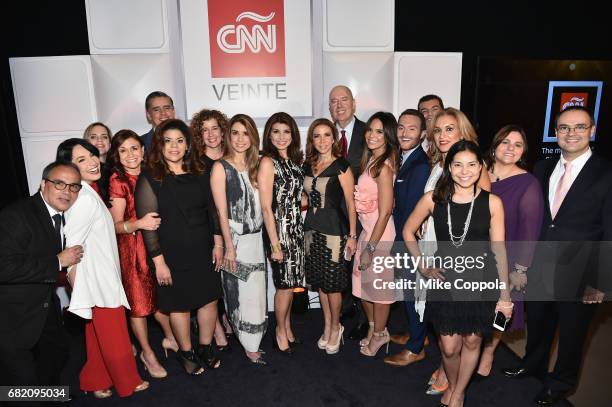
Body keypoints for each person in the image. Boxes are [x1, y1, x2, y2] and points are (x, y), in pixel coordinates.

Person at [502, 106, 612, 406]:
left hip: (581, 272)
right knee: (539, 322)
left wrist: (602, 280)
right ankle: (532, 364)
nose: (571, 133)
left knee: (573, 335)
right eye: (564, 127)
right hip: (539, 265)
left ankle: (562, 383)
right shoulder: (542, 167)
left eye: (579, 127)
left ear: (591, 130)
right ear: (556, 132)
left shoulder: (606, 173)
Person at [403, 140, 513, 407]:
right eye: (458, 165)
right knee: (449, 348)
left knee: (473, 342)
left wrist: (505, 296)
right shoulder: (433, 200)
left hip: (480, 281)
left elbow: (499, 250)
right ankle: (452, 384)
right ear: (449, 168)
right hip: (444, 282)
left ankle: (459, 392)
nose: (465, 171)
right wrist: (422, 265)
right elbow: (407, 231)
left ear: (480, 167)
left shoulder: (493, 203)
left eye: (472, 165)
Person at [56, 139, 149, 398]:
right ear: (68, 167)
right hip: (96, 278)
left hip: (100, 274)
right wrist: (78, 285)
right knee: (114, 333)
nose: (92, 161)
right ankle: (127, 382)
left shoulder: (87, 191)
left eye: (92, 155)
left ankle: (95, 380)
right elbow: (71, 243)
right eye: (81, 159)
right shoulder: (83, 197)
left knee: (97, 336)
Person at [135, 119, 223, 374]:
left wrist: (218, 244)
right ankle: (186, 352)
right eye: (168, 141)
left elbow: (213, 211)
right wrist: (159, 263)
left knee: (209, 300)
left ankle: (205, 347)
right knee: (180, 305)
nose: (174, 146)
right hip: (171, 254)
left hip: (203, 248)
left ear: (188, 145)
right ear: (159, 145)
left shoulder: (200, 171)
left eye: (180, 140)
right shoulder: (150, 178)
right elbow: (149, 227)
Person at [417, 107, 491, 396]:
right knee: (445, 326)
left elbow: (482, 222)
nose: (442, 135)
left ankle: (452, 381)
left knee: (463, 327)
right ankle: (446, 369)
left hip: (465, 259)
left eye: (449, 129)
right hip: (434, 249)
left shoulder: (475, 168)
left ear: (463, 132)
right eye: (437, 130)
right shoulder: (439, 166)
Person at [0, 161, 83, 389]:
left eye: (73, 187)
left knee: (57, 356)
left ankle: (50, 398)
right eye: (59, 184)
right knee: (20, 383)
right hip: (12, 315)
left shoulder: (64, 214)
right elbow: (3, 267)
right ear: (43, 184)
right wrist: (58, 261)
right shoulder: (17, 215)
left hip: (44, 305)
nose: (67, 191)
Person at [107, 130, 178, 379]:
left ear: (143, 150)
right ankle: (148, 353)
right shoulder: (118, 180)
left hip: (159, 246)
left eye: (134, 148)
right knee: (139, 305)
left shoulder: (154, 173)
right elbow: (115, 225)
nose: (130, 155)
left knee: (161, 298)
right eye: (123, 150)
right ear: (116, 154)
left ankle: (170, 338)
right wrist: (139, 224)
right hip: (132, 250)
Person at [475, 125, 544, 378]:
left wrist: (520, 269)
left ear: (523, 151)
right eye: (505, 142)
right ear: (494, 145)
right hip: (474, 253)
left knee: (498, 311)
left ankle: (490, 350)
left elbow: (530, 229)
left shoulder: (528, 183)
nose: (510, 149)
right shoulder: (476, 170)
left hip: (506, 255)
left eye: (517, 144)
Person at [211, 114, 268, 365]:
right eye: (235, 132)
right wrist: (228, 249)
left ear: (252, 136)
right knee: (240, 295)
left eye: (246, 133)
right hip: (235, 241)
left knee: (256, 293)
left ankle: (248, 334)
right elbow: (221, 213)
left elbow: (266, 207)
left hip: (257, 240)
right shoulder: (220, 168)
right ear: (228, 136)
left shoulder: (258, 166)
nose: (240, 138)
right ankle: (248, 344)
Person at [303, 118, 357, 354]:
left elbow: (350, 203)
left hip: (334, 230)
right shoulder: (307, 165)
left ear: (334, 139)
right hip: (311, 230)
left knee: (333, 285)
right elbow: (306, 196)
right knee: (321, 284)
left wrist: (353, 235)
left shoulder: (342, 166)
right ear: (311, 140)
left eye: (327, 135)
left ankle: (337, 327)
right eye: (317, 136)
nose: (322, 140)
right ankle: (327, 325)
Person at [384, 109, 430, 367]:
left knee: (414, 294)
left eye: (412, 128)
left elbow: (413, 213)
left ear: (423, 133)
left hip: (410, 243)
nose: (404, 132)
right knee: (410, 293)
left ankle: (416, 348)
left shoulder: (420, 165)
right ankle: (417, 335)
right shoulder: (404, 159)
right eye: (401, 127)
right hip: (403, 239)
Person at [258, 112, 305, 353]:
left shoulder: (295, 161)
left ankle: (286, 327)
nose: (281, 137)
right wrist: (275, 244)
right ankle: (279, 330)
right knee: (284, 285)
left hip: (296, 229)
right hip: (279, 232)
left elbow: (297, 198)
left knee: (291, 284)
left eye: (286, 131)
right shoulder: (268, 161)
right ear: (269, 135)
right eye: (276, 131)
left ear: (293, 134)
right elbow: (266, 207)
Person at [352, 111, 399, 357]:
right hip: (368, 232)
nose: (371, 135)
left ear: (388, 135)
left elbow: (385, 212)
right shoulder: (371, 161)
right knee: (364, 288)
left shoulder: (384, 166)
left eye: (379, 131)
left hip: (379, 236)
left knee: (379, 292)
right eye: (370, 130)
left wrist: (371, 248)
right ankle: (374, 329)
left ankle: (381, 335)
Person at [190, 108, 232, 350]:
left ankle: (225, 319)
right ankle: (215, 330)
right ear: (198, 135)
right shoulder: (195, 164)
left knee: (228, 280)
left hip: (233, 227)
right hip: (207, 231)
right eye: (204, 130)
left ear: (223, 129)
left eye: (215, 128)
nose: (211, 134)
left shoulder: (232, 155)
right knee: (211, 283)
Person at [328, 85, 368, 340]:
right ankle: (343, 311)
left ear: (354, 104)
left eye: (344, 100)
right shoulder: (324, 134)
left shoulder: (369, 132)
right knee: (338, 266)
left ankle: (366, 320)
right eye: (334, 101)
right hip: (332, 216)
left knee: (362, 268)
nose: (339, 105)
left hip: (363, 214)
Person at [83, 122, 113, 202]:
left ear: (110, 144)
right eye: (93, 137)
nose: (100, 140)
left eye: (104, 137)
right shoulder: (82, 172)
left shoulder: (117, 168)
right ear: (86, 143)